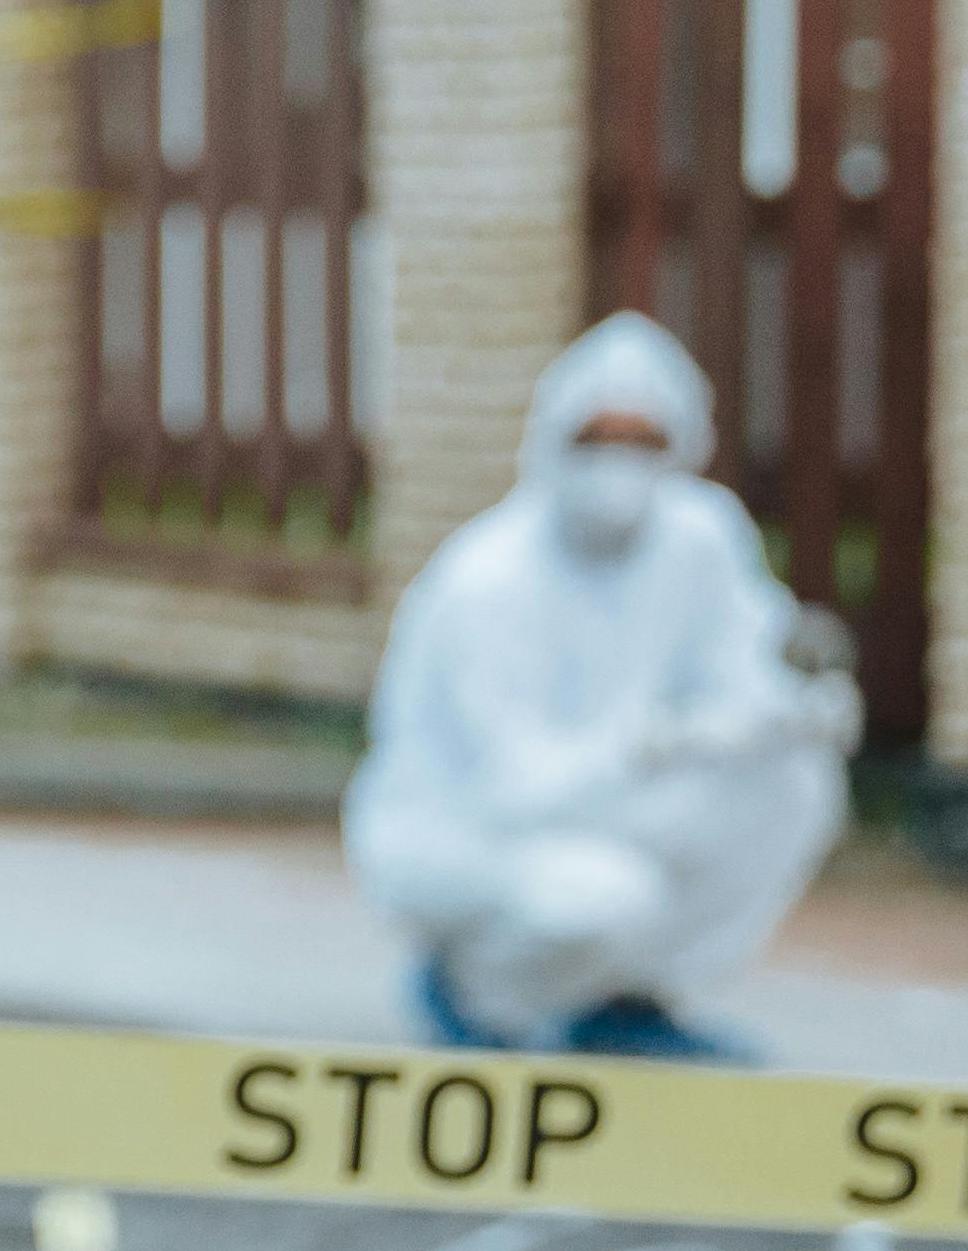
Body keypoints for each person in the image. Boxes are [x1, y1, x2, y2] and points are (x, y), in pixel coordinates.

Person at [345, 312, 856, 1061]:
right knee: (606, 898)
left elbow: (749, 660)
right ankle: (476, 995)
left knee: (795, 789)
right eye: (599, 440)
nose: (620, 465)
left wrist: (794, 707)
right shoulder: (488, 580)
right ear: (554, 440)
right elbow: (509, 786)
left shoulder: (700, 537)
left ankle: (627, 1004)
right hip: (462, 832)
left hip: (607, 803)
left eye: (644, 441)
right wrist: (656, 746)